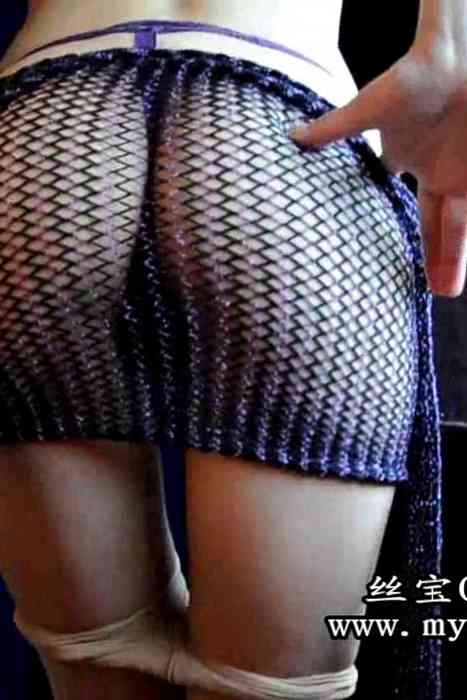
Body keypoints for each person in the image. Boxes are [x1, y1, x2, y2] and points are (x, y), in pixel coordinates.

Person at [0, 1, 455, 699]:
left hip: (44, 139)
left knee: (93, 668)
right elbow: (448, 61)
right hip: (282, 137)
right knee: (274, 687)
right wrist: (452, 42)